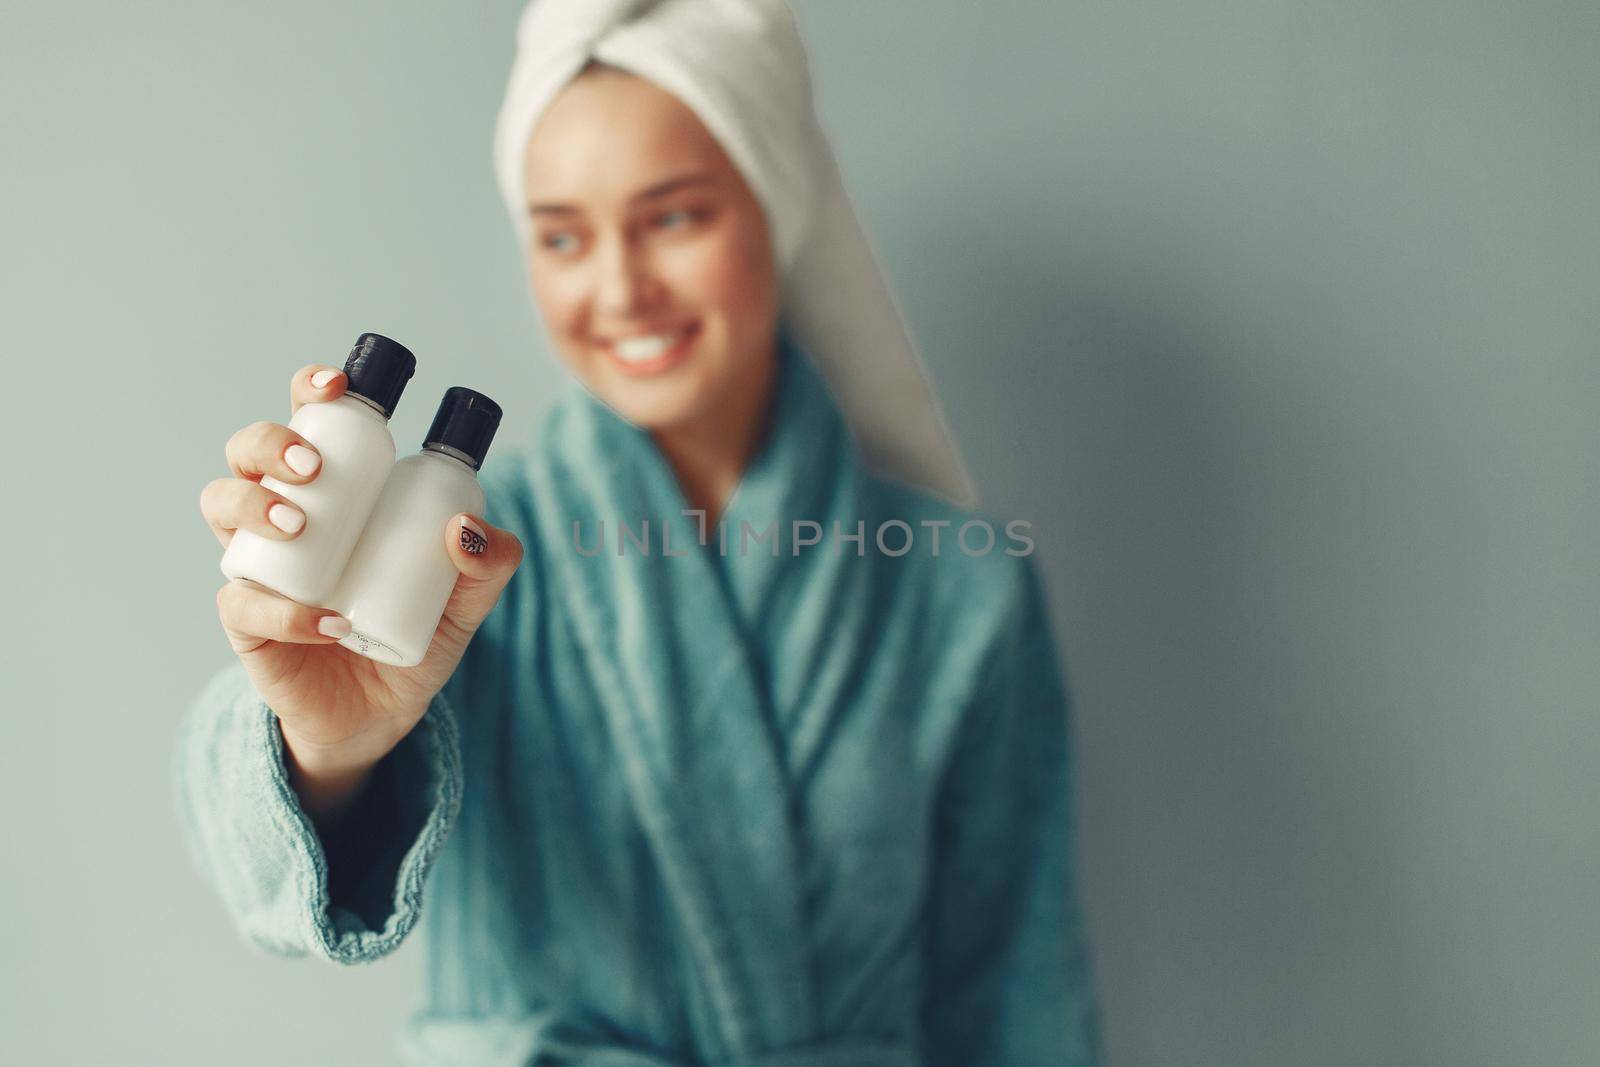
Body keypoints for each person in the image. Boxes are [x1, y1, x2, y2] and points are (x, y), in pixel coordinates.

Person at [177, 1, 1100, 1063]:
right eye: (562, 234)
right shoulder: (456, 549)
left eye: (673, 217)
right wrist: (323, 744)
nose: (618, 286)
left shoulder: (958, 587)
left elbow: (1018, 998)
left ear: (776, 208)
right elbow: (243, 857)